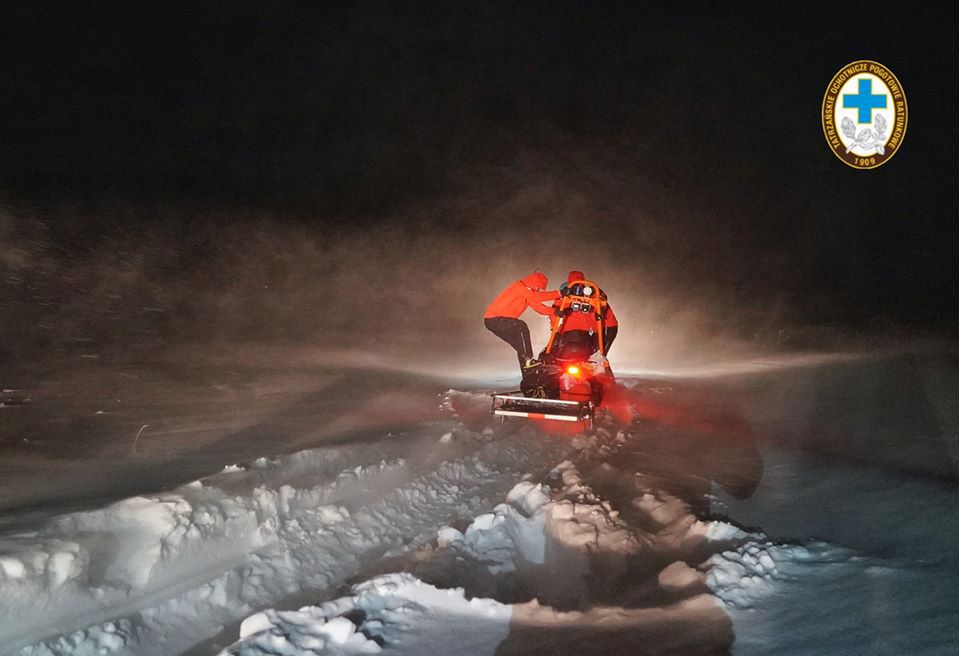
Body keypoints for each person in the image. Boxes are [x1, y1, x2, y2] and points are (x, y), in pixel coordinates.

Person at [484, 272, 560, 372]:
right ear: (534, 284)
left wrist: (555, 311)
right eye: (538, 288)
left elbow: (540, 308)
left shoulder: (527, 294)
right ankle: (528, 359)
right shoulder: (519, 287)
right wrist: (558, 294)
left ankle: (527, 372)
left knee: (521, 345)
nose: (538, 290)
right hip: (494, 319)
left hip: (499, 321)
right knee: (521, 326)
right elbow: (537, 297)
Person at [553, 270, 618, 356]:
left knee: (549, 353)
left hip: (567, 335)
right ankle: (598, 355)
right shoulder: (594, 300)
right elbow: (611, 325)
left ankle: (599, 355)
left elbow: (553, 314)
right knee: (596, 353)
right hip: (588, 336)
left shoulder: (564, 299)